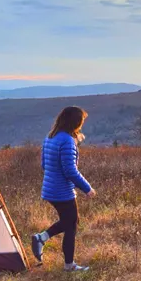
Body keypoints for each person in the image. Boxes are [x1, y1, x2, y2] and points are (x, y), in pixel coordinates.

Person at [31, 106, 96, 272]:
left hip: (50, 189)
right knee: (71, 225)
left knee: (70, 222)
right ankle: (69, 265)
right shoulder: (67, 141)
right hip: (61, 191)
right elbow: (70, 171)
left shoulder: (50, 137)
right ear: (75, 122)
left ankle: (41, 238)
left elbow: (44, 165)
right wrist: (87, 188)